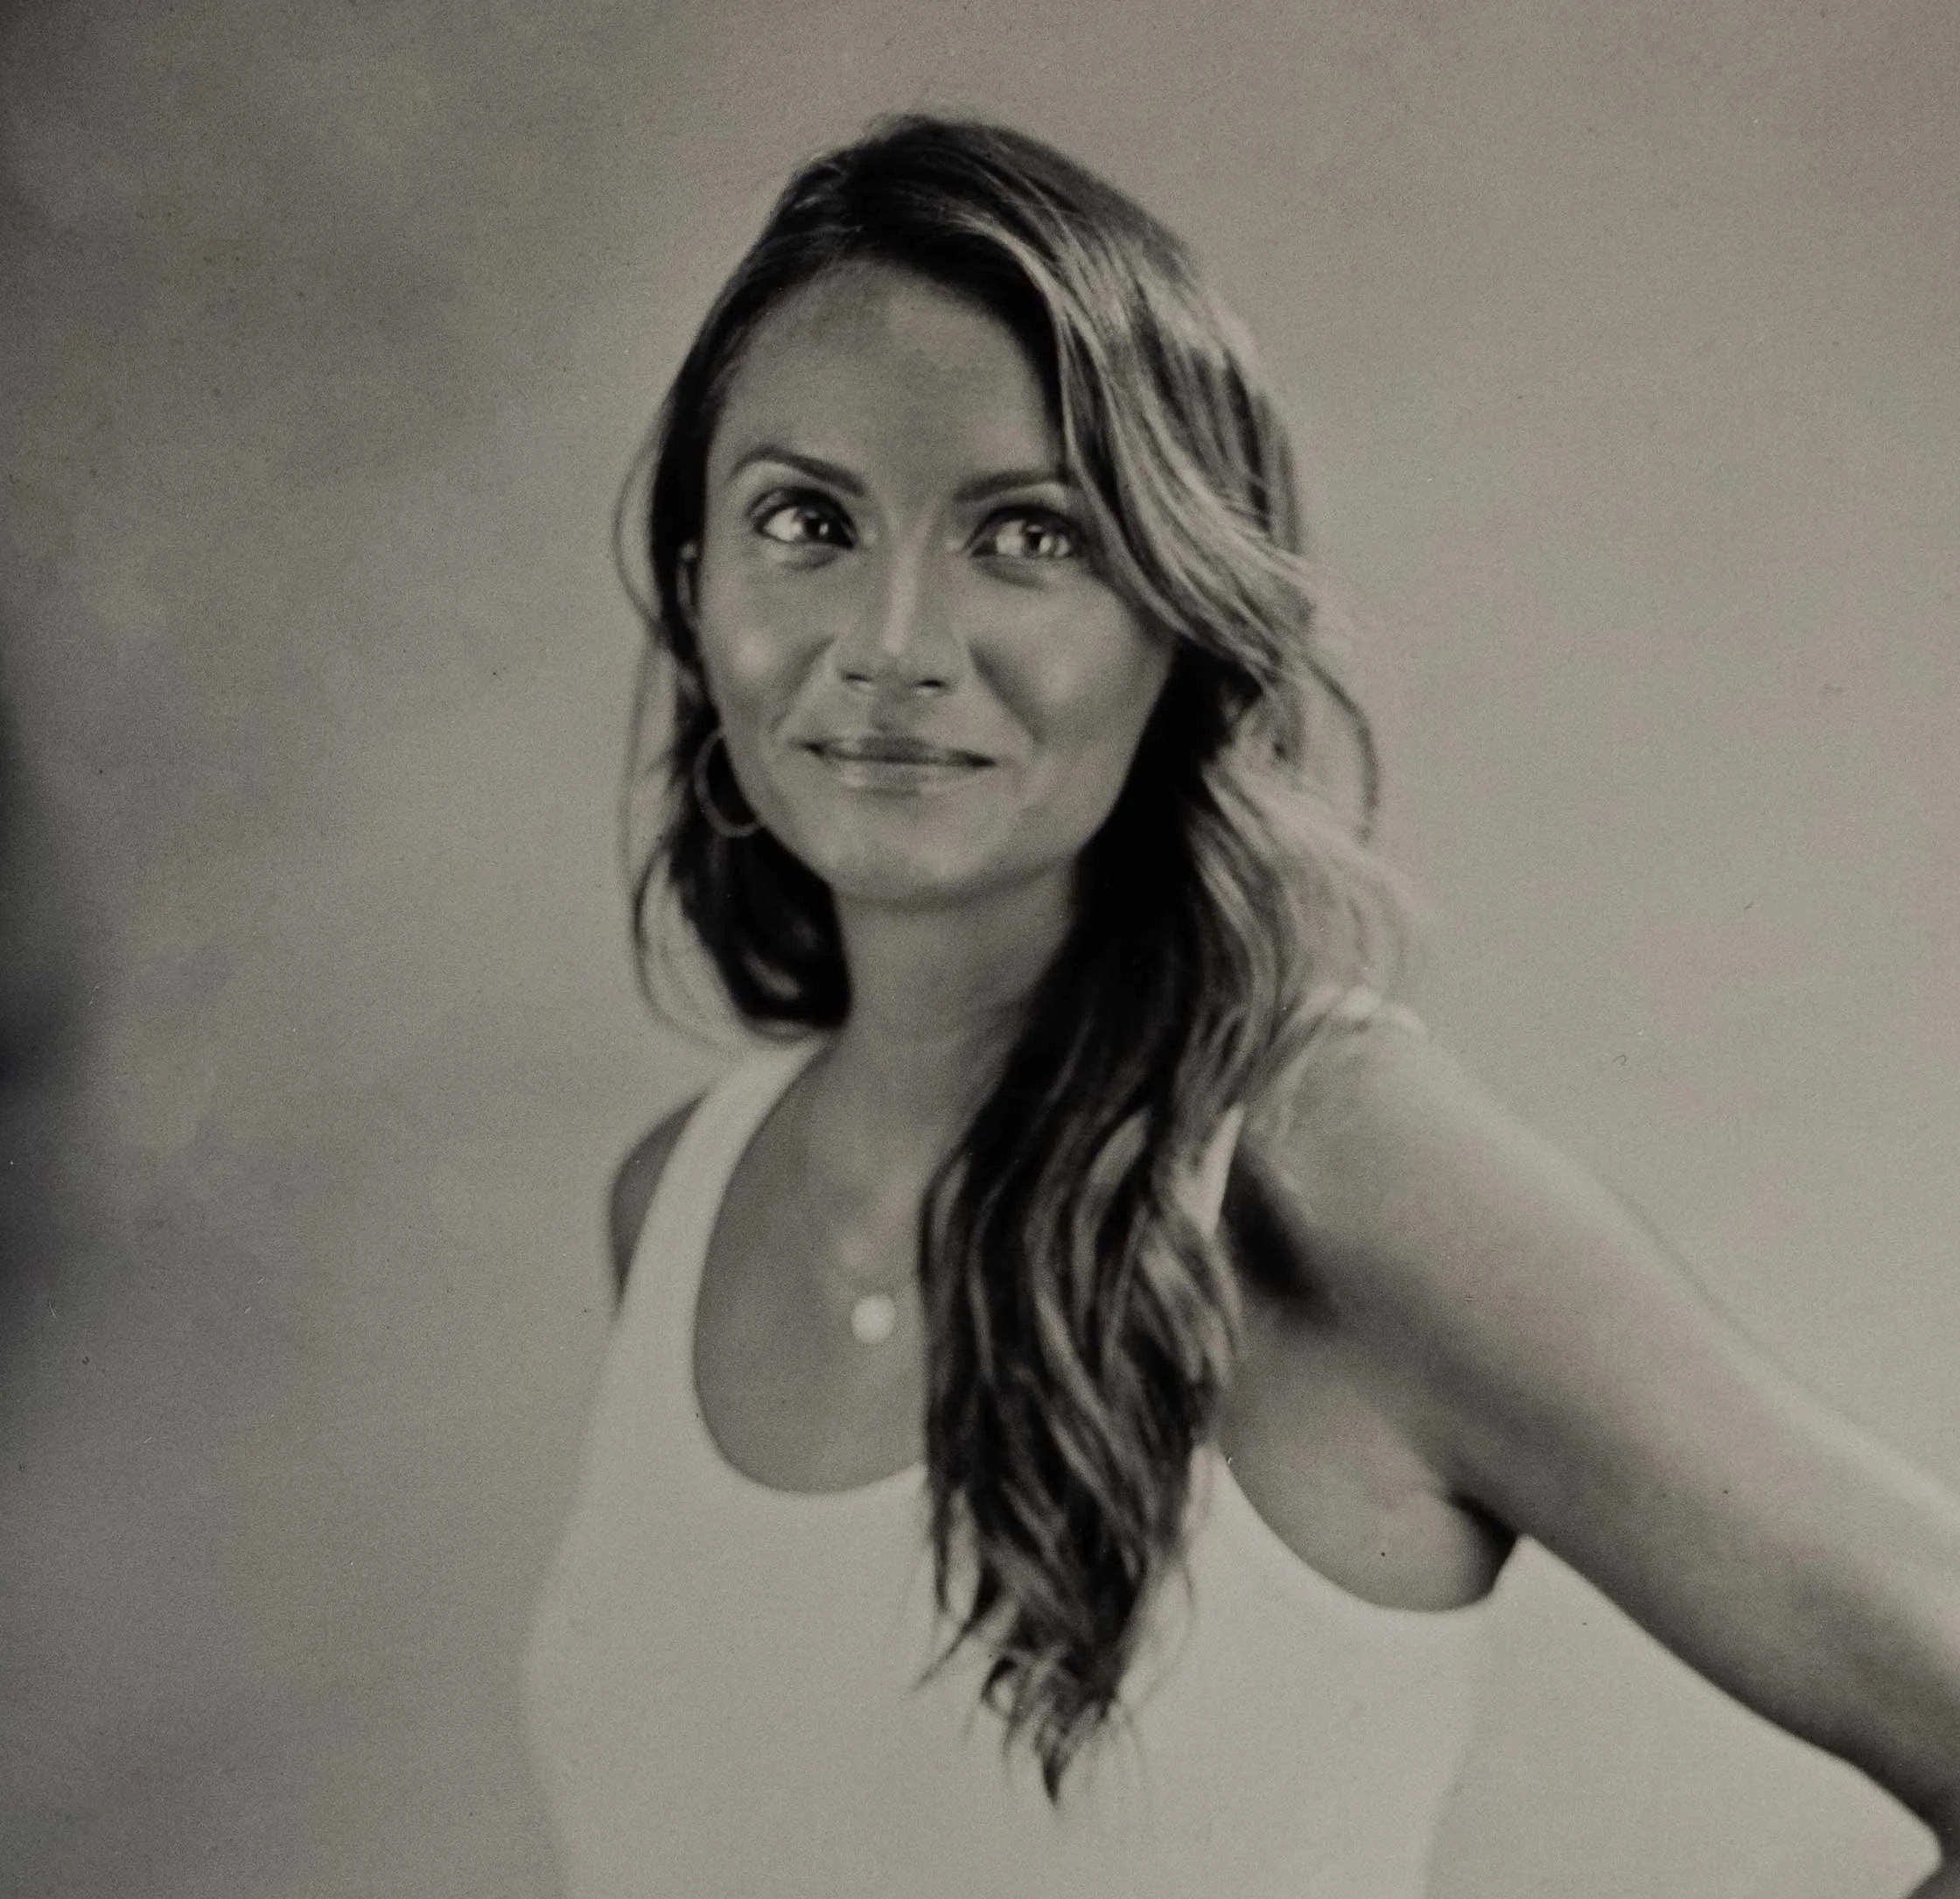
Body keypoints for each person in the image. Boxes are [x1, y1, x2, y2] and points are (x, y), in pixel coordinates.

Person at [523, 115, 1960, 1897]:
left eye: (1026, 532)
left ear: (1181, 623)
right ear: (693, 581)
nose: (889, 637)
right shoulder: (673, 1202)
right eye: (805, 520)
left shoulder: (1321, 1170)